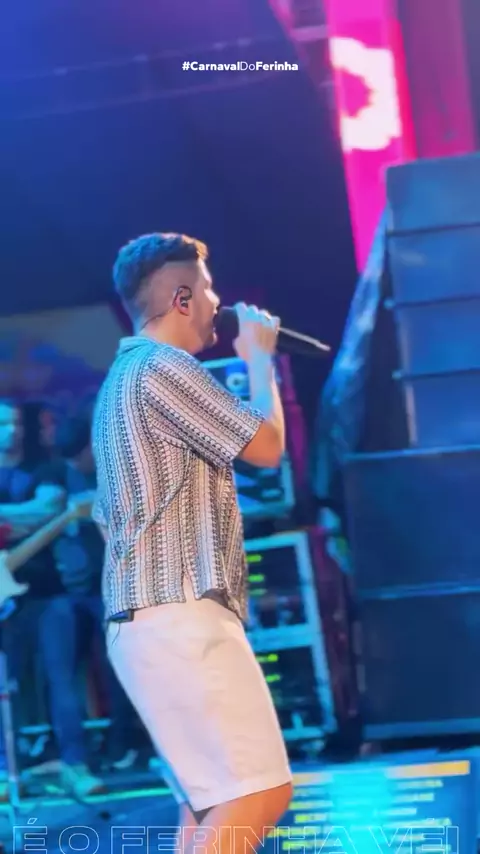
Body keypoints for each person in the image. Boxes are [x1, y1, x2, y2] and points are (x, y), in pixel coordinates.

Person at [92, 233, 293, 853]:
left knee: (207, 806)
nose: (216, 301)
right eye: (206, 288)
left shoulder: (123, 379)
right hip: (179, 615)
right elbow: (266, 446)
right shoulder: (164, 367)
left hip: (148, 621)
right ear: (181, 298)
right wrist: (259, 359)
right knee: (259, 793)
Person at [0, 399, 103, 800]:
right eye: (3, 423)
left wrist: (13, 519)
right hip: (5, 596)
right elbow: (38, 516)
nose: (12, 430)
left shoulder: (47, 469)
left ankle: (75, 765)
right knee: (4, 687)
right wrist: (29, 517)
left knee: (62, 680)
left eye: (15, 422)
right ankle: (6, 771)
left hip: (48, 592)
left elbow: (48, 509)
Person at [37, 412, 139, 771]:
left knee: (119, 668)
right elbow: (44, 507)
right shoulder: (56, 474)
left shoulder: (116, 468)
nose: (74, 465)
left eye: (77, 457)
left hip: (113, 587)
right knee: (62, 671)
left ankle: (122, 743)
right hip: (70, 590)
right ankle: (70, 750)